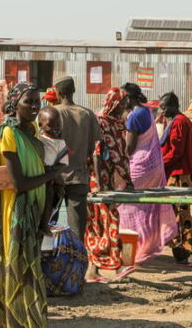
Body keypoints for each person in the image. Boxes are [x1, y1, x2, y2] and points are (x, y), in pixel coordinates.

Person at [0, 83, 60, 328]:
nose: (35, 106)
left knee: (29, 270)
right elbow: (19, 183)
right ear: (15, 104)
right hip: (16, 213)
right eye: (29, 102)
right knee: (20, 270)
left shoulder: (33, 132)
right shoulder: (9, 134)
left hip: (34, 212)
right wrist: (52, 175)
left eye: (38, 102)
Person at [115, 83, 178, 262]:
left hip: (139, 167)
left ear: (129, 98)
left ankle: (130, 253)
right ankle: (145, 245)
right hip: (154, 166)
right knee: (146, 207)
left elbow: (129, 147)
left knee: (126, 208)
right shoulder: (147, 111)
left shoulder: (134, 116)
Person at [85, 87, 130, 279]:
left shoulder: (117, 123)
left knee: (108, 221)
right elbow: (96, 152)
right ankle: (103, 268)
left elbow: (120, 153)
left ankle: (104, 267)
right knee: (101, 221)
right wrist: (101, 186)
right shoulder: (101, 122)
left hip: (108, 179)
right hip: (97, 180)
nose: (125, 106)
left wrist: (124, 178)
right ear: (114, 103)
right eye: (122, 103)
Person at [51, 75, 100, 243]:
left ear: (57, 92)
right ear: (73, 90)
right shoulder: (87, 114)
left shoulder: (52, 113)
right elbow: (93, 148)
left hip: (54, 178)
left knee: (49, 225)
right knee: (77, 230)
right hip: (79, 176)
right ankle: (75, 264)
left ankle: (51, 263)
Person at [158, 91, 192, 257]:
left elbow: (176, 152)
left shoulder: (179, 122)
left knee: (181, 210)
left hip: (181, 172)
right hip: (178, 171)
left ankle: (189, 246)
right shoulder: (176, 121)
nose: (162, 111)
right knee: (175, 210)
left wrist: (159, 163)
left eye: (164, 108)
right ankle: (181, 246)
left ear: (173, 106)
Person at [38, 105, 69, 226]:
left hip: (51, 177)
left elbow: (63, 164)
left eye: (58, 124)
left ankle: (46, 223)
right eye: (51, 125)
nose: (56, 128)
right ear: (40, 125)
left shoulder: (60, 143)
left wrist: (52, 171)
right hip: (40, 177)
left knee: (53, 195)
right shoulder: (39, 140)